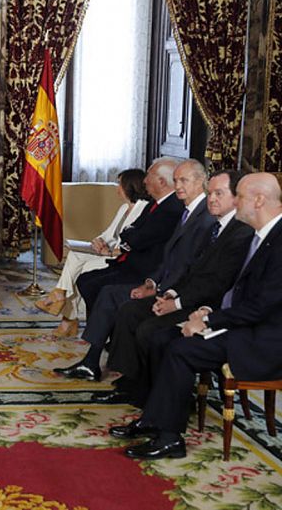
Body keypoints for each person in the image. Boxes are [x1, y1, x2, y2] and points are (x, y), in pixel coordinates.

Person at [111, 173, 282, 460]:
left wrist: (208, 321)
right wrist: (209, 312)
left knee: (180, 348)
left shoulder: (277, 241)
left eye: (238, 196)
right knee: (165, 337)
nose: (235, 202)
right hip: (246, 325)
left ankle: (169, 438)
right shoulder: (263, 235)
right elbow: (244, 295)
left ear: (259, 200)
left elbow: (263, 307)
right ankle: (155, 419)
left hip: (264, 340)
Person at [103, 170, 253, 406]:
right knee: (129, 311)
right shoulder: (215, 225)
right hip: (186, 296)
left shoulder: (241, 232)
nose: (211, 199)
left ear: (236, 197)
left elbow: (218, 283)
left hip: (206, 307)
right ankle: (132, 380)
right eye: (210, 193)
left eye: (219, 194)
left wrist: (177, 303)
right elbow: (191, 269)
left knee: (149, 329)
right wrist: (170, 294)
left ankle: (152, 394)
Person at [54, 159, 212, 382]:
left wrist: (160, 288)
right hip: (149, 274)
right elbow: (133, 234)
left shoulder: (182, 212)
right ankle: (98, 349)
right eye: (176, 180)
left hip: (155, 278)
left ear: (200, 182)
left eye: (183, 181)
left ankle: (100, 355)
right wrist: (152, 281)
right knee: (91, 282)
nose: (178, 186)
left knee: (108, 293)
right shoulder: (173, 208)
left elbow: (171, 256)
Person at [35, 169, 149, 337]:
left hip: (118, 258)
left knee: (83, 269)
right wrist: (97, 241)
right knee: (74, 256)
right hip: (106, 251)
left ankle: (68, 317)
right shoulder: (124, 207)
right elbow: (108, 233)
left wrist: (108, 251)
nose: (117, 188)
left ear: (129, 186)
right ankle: (60, 295)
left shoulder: (143, 209)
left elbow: (132, 245)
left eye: (120, 184)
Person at [72, 158, 184, 319]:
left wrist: (129, 236)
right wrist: (129, 235)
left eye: (148, 175)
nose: (144, 180)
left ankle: (104, 327)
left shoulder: (171, 208)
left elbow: (137, 238)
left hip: (143, 270)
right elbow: (127, 232)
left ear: (161, 181)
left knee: (93, 284)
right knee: (85, 280)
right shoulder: (156, 203)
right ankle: (99, 326)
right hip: (130, 262)